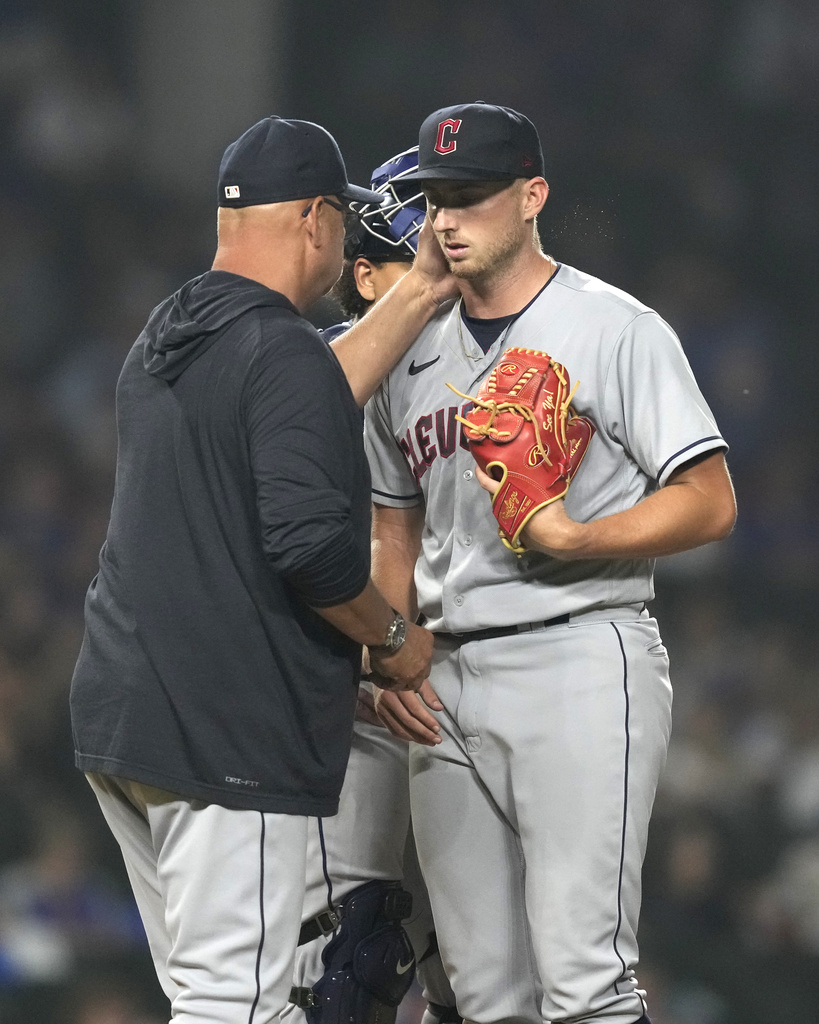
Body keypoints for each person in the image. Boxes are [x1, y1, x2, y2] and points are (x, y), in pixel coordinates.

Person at [69, 115, 458, 1023]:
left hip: (130, 718)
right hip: (224, 732)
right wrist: (392, 638)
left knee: (221, 998)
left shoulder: (174, 329)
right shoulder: (278, 349)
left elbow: (304, 391)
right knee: (238, 1007)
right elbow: (311, 550)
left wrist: (414, 297)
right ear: (320, 221)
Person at [364, 102, 737, 1024]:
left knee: (583, 982)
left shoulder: (613, 327)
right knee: (483, 992)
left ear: (531, 195)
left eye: (471, 196)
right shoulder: (404, 346)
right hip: (442, 675)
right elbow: (391, 528)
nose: (446, 218)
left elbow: (711, 500)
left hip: (577, 652)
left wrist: (574, 537)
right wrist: (387, 648)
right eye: (432, 198)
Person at [286, 147, 458, 1024]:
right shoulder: (307, 378)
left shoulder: (502, 371)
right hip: (354, 699)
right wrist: (374, 649)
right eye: (419, 258)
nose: (445, 278)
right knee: (353, 962)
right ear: (364, 274)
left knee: (494, 974)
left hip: (461, 692)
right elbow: (294, 547)